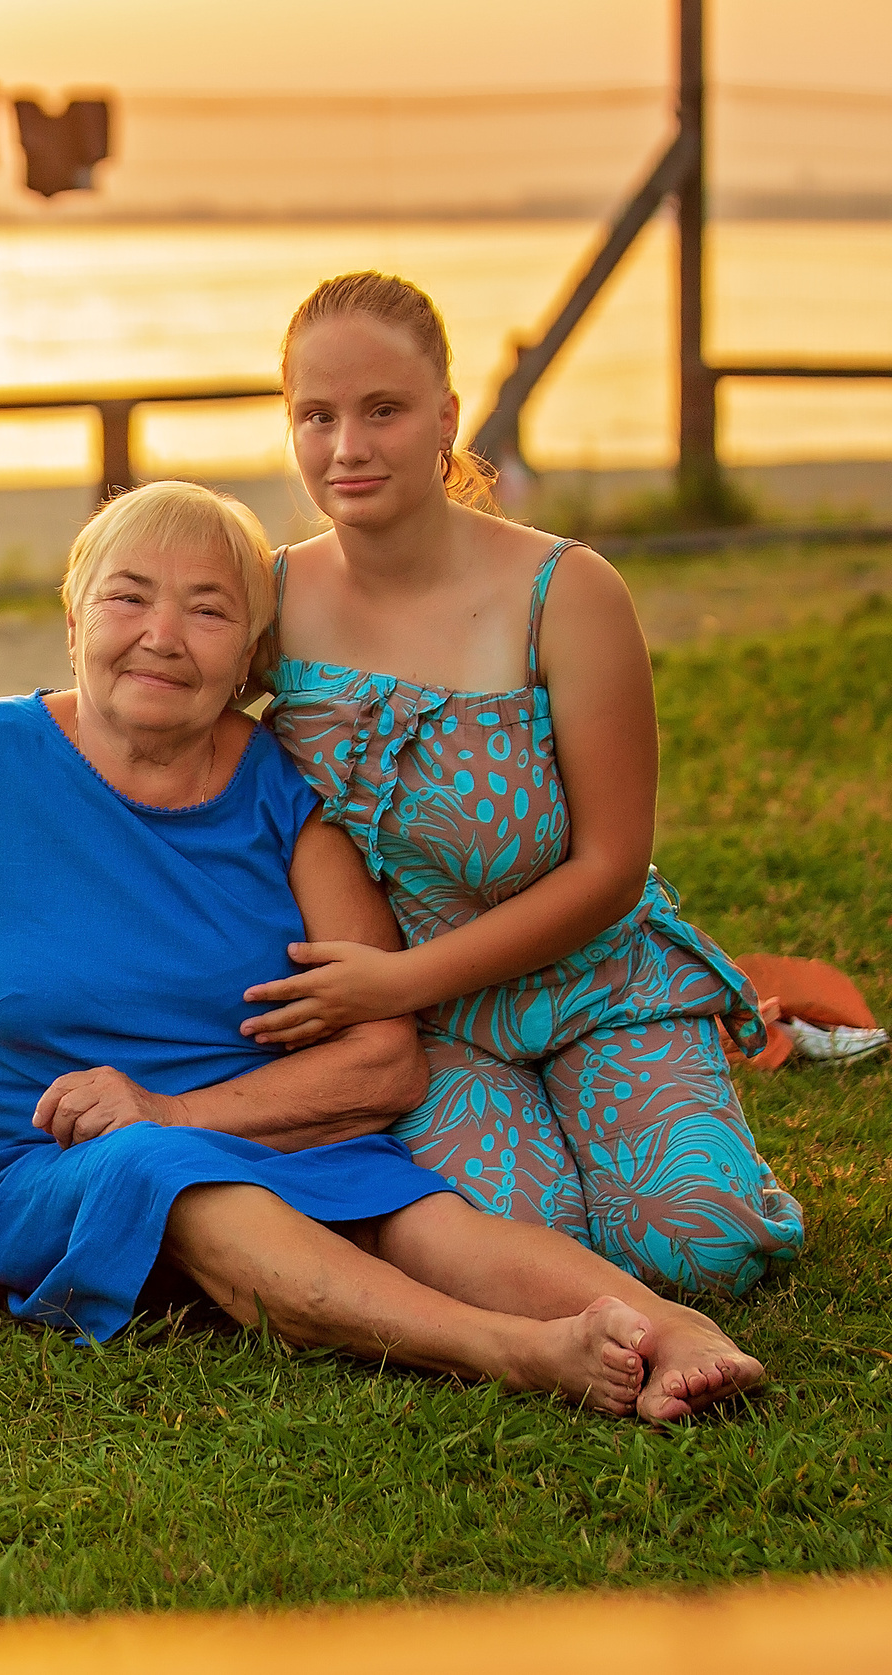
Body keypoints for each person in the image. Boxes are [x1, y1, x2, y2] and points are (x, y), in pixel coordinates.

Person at [0, 481, 765, 1422]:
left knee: (426, 1219)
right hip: (50, 1169)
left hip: (262, 1130)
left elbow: (386, 1060)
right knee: (164, 1168)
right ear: (72, 617)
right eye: (128, 596)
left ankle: (671, 1324)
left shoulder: (286, 794)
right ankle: (513, 1352)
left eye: (208, 610)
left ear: (247, 658)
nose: (162, 633)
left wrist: (177, 1107)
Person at [243, 271, 802, 1294]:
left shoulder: (565, 591)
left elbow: (612, 866)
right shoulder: (269, 598)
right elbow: (127, 691)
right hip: (433, 1032)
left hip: (599, 984)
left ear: (446, 417)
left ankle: (701, 1102)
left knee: (697, 1252)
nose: (347, 448)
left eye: (383, 411)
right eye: (315, 416)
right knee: (527, 1249)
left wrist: (397, 980)